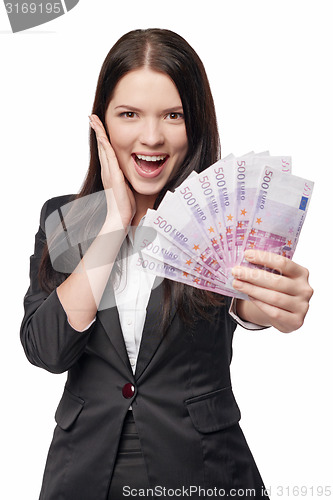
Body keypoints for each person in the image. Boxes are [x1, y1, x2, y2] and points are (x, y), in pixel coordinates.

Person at [20, 28, 313, 500]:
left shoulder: (223, 218)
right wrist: (113, 224)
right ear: (102, 122)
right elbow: (48, 350)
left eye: (173, 115)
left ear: (195, 123)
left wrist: (273, 307)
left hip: (203, 470)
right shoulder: (64, 219)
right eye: (130, 114)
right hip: (85, 475)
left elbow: (245, 300)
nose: (152, 137)